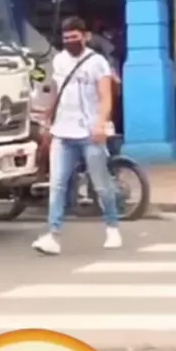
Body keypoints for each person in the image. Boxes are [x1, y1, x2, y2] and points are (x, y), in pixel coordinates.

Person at [32, 16, 121, 256]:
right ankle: (53, 235)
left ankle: (112, 227)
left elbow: (105, 97)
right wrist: (48, 121)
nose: (70, 42)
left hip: (90, 133)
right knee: (57, 185)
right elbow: (56, 92)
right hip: (63, 133)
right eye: (66, 38)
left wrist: (100, 124)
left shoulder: (97, 63)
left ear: (85, 37)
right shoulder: (59, 61)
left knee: (101, 184)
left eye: (75, 37)